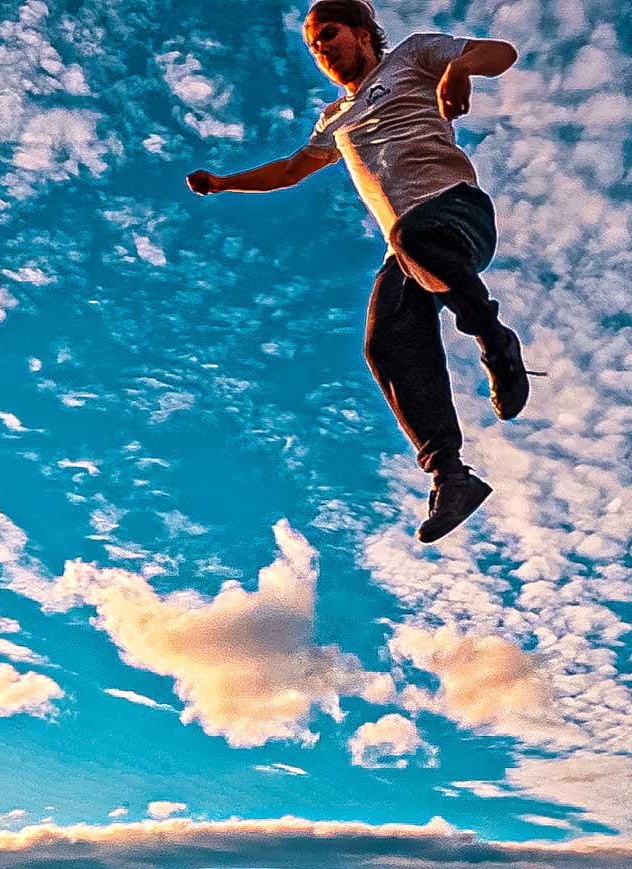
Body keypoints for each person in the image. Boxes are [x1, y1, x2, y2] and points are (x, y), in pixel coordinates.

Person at [186, 0, 535, 544]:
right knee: (384, 340)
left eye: (328, 33)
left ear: (363, 32)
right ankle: (451, 476)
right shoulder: (332, 119)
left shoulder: (415, 57)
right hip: (409, 249)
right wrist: (225, 183)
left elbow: (502, 52)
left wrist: (458, 69)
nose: (321, 49)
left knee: (411, 234)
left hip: (457, 213)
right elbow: (290, 170)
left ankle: (495, 341)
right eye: (312, 45)